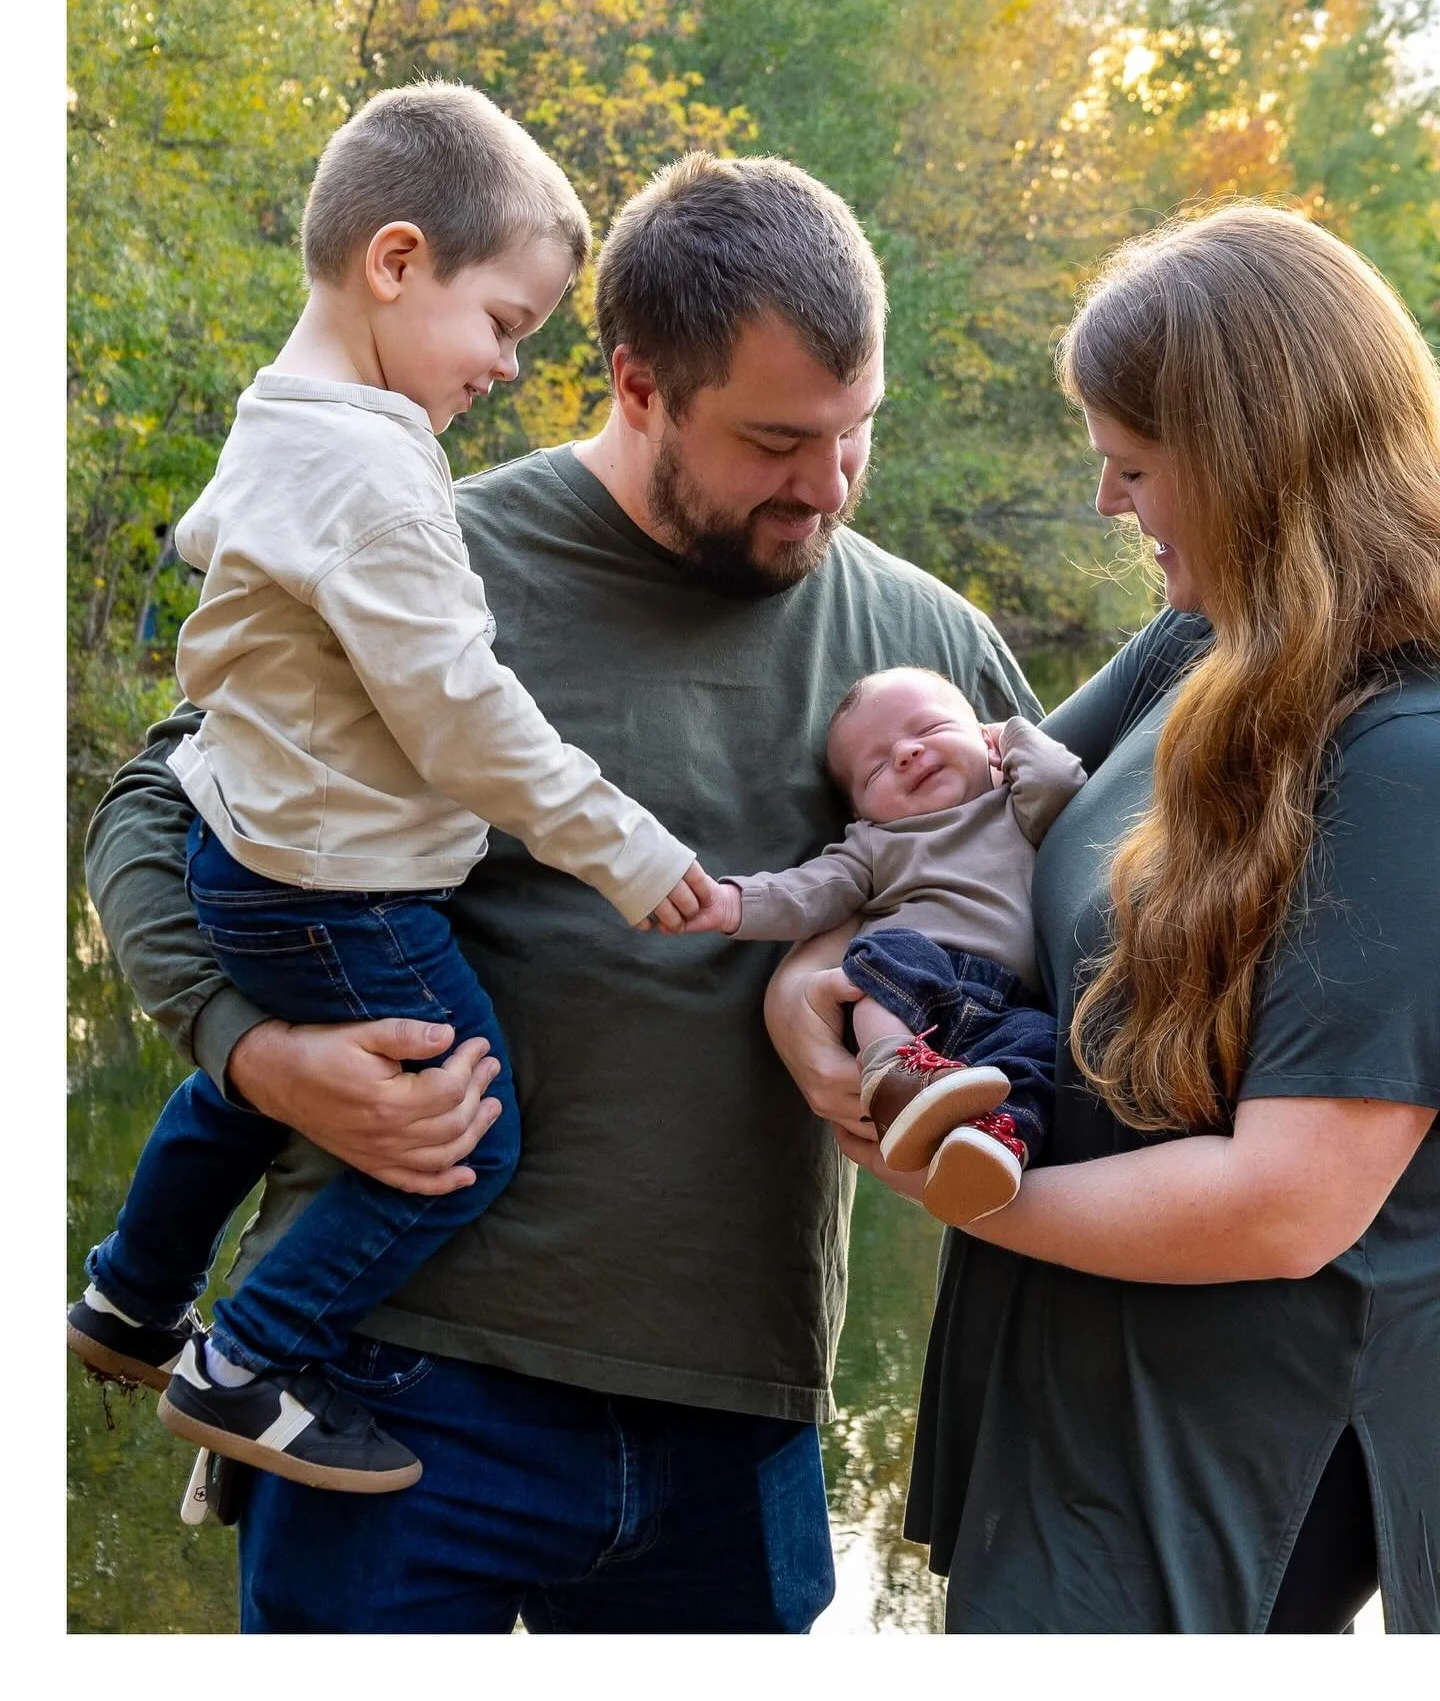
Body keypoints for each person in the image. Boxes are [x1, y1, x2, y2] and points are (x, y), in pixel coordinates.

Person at [81, 149, 1042, 1632]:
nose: (828, 486)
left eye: (858, 433)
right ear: (639, 382)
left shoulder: (932, 647)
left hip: (741, 1406)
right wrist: (250, 1052)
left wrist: (830, 965)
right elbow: (156, 808)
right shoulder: (430, 551)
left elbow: (1035, 915)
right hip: (392, 1389)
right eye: (777, 441)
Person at [767, 201, 1440, 1633]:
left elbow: (1288, 1202)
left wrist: (953, 1189)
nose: (1105, 506)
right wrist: (814, 976)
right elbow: (948, 827)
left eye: (1134, 467)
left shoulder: (1408, 756)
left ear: (1258, 465)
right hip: (1074, 1388)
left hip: (1228, 1459)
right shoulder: (1200, 641)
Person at [67, 81, 717, 1495]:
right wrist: (632, 852)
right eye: (503, 325)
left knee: (248, 1102)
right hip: (344, 897)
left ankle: (129, 1296)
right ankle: (250, 1357)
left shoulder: (284, 420)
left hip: (254, 864)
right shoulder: (376, 478)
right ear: (398, 261)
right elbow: (465, 719)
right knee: (462, 1140)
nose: (503, 366)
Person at [680, 665, 1085, 1222]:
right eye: (875, 769)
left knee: (1040, 1051)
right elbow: (806, 892)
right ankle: (894, 1070)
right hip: (921, 985)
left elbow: (1063, 783)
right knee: (884, 957)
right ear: (860, 812)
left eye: (931, 728)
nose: (906, 755)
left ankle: (993, 1146)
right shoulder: (876, 844)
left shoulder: (1018, 807)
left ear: (982, 738)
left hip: (1010, 1006)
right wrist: (729, 903)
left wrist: (1010, 733)